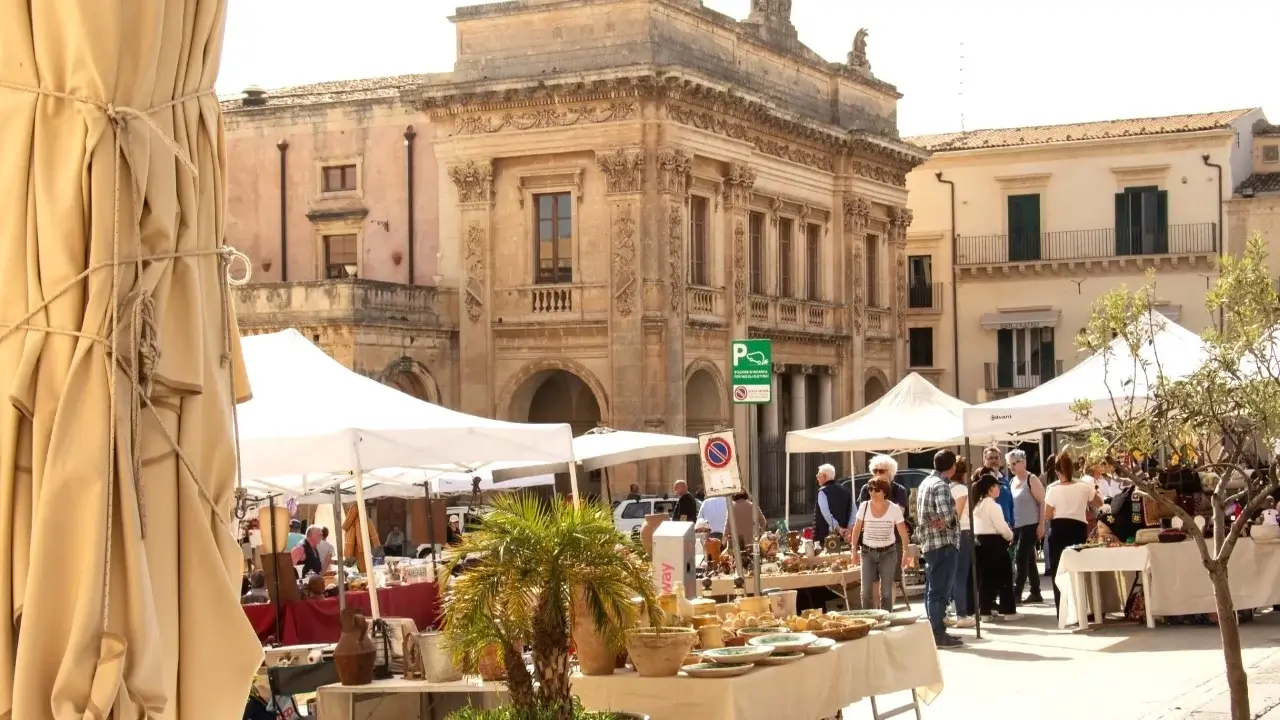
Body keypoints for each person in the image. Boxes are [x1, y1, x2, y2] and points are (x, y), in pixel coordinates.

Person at [916, 449, 963, 648]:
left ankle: (935, 631)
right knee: (940, 592)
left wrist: (940, 521)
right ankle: (938, 634)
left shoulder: (925, 482)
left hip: (929, 543)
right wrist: (952, 520)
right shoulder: (941, 485)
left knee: (932, 591)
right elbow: (946, 516)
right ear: (952, 467)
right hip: (943, 543)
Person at [1045, 453, 1103, 612]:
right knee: (1079, 570)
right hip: (1078, 529)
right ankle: (1082, 609)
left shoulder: (1052, 489)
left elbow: (1047, 515)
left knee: (1058, 572)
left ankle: (1062, 611)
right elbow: (1099, 502)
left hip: (1058, 529)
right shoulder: (1084, 486)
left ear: (1057, 472)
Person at [850, 475, 910, 611]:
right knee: (865, 591)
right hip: (867, 552)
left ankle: (886, 619)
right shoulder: (864, 506)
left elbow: (903, 533)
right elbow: (857, 528)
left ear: (884, 492)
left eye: (876, 490)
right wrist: (853, 550)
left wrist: (906, 553)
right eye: (870, 489)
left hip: (888, 552)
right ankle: (869, 620)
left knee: (887, 592)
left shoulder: (894, 509)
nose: (872, 492)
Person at [972, 472, 1019, 620]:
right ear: (991, 488)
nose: (999, 489)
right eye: (997, 486)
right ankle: (1009, 611)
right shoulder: (993, 505)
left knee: (986, 580)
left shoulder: (977, 505)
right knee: (1004, 578)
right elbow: (1002, 527)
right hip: (995, 544)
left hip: (980, 544)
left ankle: (984, 611)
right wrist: (1011, 536)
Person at [1007, 449, 1046, 604]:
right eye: (1010, 464)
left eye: (1015, 463)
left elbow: (1043, 501)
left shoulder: (1032, 479)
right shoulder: (1012, 481)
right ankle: (1035, 591)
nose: (1012, 467)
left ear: (1023, 462)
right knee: (1029, 559)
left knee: (1020, 558)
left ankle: (1016, 593)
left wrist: (1042, 525)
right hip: (1017, 525)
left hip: (1031, 524)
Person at [947, 457, 975, 629]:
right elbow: (957, 515)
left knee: (952, 574)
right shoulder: (962, 489)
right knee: (960, 575)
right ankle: (961, 614)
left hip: (951, 533)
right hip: (963, 532)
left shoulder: (946, 487)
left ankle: (951, 610)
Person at [814, 463, 853, 545]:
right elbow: (854, 512)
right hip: (845, 538)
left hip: (826, 538)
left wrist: (839, 529)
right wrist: (848, 531)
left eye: (818, 475)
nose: (817, 478)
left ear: (824, 476)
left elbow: (827, 514)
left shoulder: (822, 492)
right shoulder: (846, 490)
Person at [982, 446, 1016, 528]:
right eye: (990, 458)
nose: (994, 460)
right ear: (984, 460)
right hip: (989, 528)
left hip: (1006, 527)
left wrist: (1012, 523)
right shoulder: (981, 480)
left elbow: (1011, 504)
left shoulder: (1005, 480)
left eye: (996, 458)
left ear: (1000, 460)